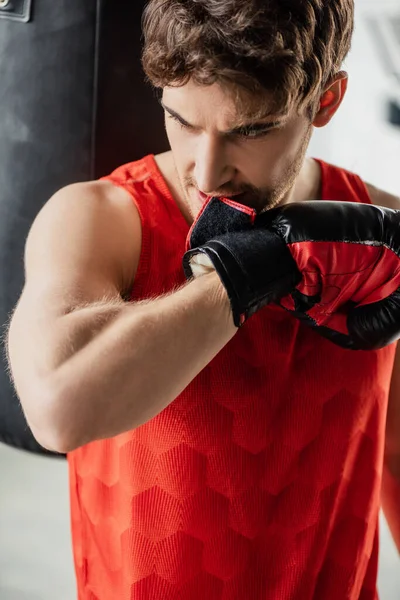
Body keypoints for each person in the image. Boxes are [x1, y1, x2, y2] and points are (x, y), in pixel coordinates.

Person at [5, 0, 400, 598]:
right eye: (183, 121)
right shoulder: (101, 219)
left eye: (250, 130)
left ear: (325, 102)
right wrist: (244, 273)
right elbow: (58, 407)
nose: (208, 172)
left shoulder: (382, 231)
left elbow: (394, 440)